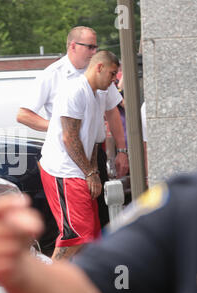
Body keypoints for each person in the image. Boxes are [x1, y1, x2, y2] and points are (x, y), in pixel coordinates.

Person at [0, 171, 197, 293]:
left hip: (84, 176)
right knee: (75, 235)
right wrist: (27, 274)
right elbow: (96, 285)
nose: (113, 87)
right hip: (73, 176)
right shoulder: (183, 204)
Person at [17, 26, 129, 229]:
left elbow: (112, 110)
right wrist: (59, 130)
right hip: (67, 161)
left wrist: (122, 151)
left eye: (96, 47)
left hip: (94, 153)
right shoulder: (52, 75)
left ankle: (94, 260)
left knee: (99, 219)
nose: (94, 51)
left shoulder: (101, 73)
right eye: (90, 47)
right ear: (73, 46)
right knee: (76, 231)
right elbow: (23, 114)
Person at [39, 50, 120, 260]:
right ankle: (47, 287)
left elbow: (94, 140)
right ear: (99, 67)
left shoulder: (95, 95)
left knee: (90, 235)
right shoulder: (75, 90)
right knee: (76, 236)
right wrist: (90, 173)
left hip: (78, 170)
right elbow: (69, 137)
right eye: (112, 74)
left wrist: (92, 172)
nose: (114, 80)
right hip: (63, 170)